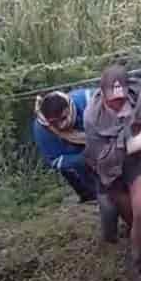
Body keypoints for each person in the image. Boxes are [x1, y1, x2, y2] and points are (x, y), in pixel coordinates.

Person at [84, 65, 141, 281]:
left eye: (121, 99)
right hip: (109, 170)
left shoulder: (139, 92)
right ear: (102, 93)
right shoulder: (91, 117)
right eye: (112, 100)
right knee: (138, 221)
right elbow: (99, 158)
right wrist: (127, 145)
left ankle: (136, 266)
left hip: (137, 162)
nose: (117, 103)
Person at [33, 88, 120, 243]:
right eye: (54, 122)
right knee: (106, 200)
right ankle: (110, 239)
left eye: (63, 118)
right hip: (84, 166)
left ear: (69, 106)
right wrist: (84, 158)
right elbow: (54, 159)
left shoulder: (89, 101)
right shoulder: (43, 129)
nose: (60, 125)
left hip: (113, 149)